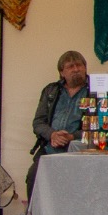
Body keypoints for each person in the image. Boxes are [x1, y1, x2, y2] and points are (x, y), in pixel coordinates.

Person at [28, 50, 90, 196]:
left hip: (81, 151)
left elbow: (101, 128)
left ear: (85, 68)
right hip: (50, 149)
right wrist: (53, 135)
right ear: (62, 72)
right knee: (33, 177)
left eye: (79, 65)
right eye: (70, 66)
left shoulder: (96, 91)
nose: (76, 69)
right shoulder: (51, 91)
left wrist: (72, 137)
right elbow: (38, 123)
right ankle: (33, 212)